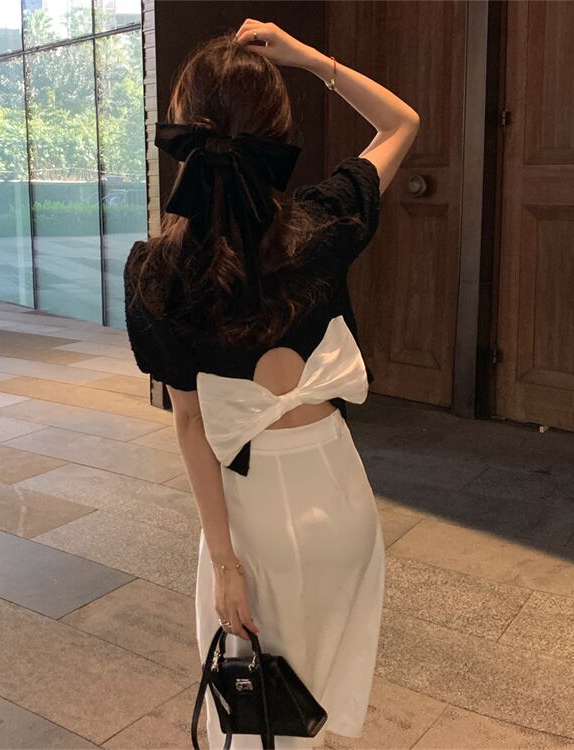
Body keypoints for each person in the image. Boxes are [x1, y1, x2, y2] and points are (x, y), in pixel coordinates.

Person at [123, 19, 420, 750]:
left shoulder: (159, 273)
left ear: (185, 135)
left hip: (248, 515)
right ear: (278, 135)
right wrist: (311, 60)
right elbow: (401, 122)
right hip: (339, 498)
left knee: (252, 712)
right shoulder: (322, 224)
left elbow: (192, 425)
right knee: (312, 709)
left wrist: (227, 563)